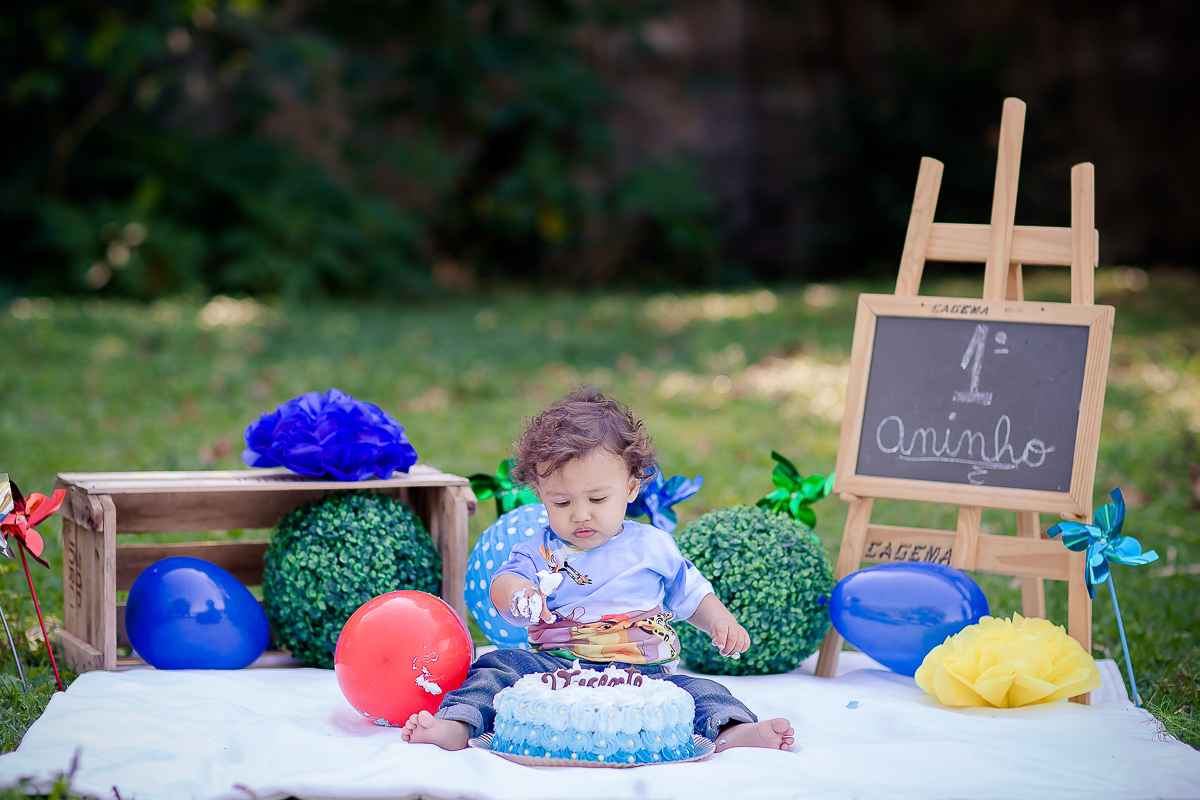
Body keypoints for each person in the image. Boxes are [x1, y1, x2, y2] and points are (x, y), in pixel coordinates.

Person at [401, 387, 793, 753]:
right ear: (541, 496)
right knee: (495, 667)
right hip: (554, 668)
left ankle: (732, 731)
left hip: (646, 673)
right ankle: (458, 724)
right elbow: (505, 582)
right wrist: (520, 595)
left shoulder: (653, 546)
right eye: (561, 502)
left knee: (702, 692)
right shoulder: (541, 549)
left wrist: (720, 621)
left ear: (632, 487)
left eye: (598, 498)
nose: (580, 514)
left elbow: (691, 593)